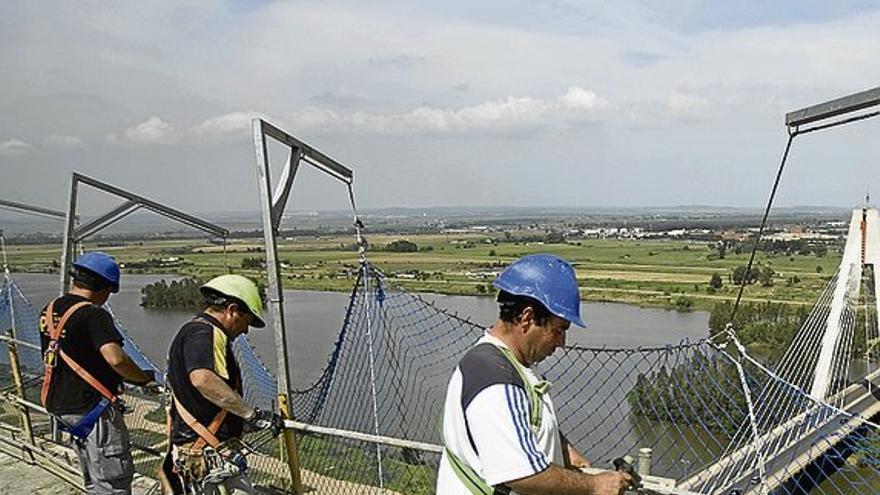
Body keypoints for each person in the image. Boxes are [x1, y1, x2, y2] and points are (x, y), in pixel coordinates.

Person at [436, 254, 632, 495]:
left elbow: (523, 420)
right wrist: (595, 485)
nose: (562, 342)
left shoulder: (501, 363)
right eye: (559, 330)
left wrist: (563, 449)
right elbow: (520, 473)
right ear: (528, 318)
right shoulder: (496, 380)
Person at [40, 251, 160, 495]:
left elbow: (77, 352)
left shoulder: (50, 310)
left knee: (92, 478)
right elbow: (116, 359)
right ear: (105, 287)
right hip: (92, 408)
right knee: (112, 481)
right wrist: (142, 378)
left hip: (62, 406)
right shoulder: (93, 314)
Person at [161, 274, 284, 495]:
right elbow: (203, 379)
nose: (245, 330)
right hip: (208, 454)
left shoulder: (190, 331)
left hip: (198, 450)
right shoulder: (205, 332)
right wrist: (251, 415)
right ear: (232, 310)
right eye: (246, 321)